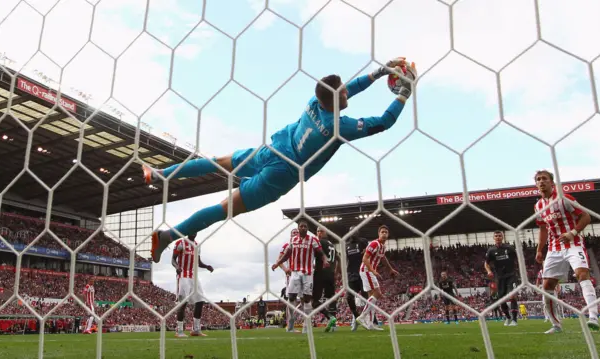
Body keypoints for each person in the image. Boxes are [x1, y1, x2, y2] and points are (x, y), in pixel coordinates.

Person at [144, 59, 417, 262]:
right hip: (281, 173)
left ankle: (159, 174)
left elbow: (345, 89)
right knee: (225, 207)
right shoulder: (337, 126)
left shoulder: (316, 100)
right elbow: (383, 122)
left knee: (219, 161)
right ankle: (168, 237)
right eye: (344, 92)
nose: (348, 92)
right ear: (335, 98)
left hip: (274, 148)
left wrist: (379, 72)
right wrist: (404, 93)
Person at [533, 169, 598, 333]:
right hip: (554, 248)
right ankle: (556, 324)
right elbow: (542, 229)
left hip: (573, 243)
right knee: (547, 285)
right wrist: (540, 250)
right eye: (538, 179)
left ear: (552, 182)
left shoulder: (564, 198)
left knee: (582, 274)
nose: (541, 182)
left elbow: (586, 216)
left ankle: (593, 317)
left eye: (544, 179)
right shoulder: (538, 206)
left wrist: (572, 233)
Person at [271, 220, 329, 333]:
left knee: (306, 299)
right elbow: (287, 253)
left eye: (305, 226)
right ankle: (291, 324)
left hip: (307, 273)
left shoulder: (313, 240)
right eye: (301, 226)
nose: (303, 228)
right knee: (291, 297)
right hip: (295, 272)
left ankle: (306, 326)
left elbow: (320, 253)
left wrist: (325, 260)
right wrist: (278, 263)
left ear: (307, 229)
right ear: (298, 228)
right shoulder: (293, 240)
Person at [356, 225, 399, 330]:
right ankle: (362, 317)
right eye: (382, 232)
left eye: (386, 232)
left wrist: (390, 269)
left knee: (372, 298)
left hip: (369, 271)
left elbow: (383, 258)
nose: (384, 234)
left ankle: (370, 324)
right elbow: (364, 258)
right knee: (378, 293)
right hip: (366, 270)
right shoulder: (374, 244)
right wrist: (373, 270)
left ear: (388, 235)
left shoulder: (382, 247)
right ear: (378, 234)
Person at [173, 236, 214, 337]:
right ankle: (179, 330)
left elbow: (198, 262)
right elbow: (173, 259)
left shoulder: (197, 245)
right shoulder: (180, 243)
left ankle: (196, 330)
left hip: (193, 275)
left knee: (200, 300)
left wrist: (206, 266)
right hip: (183, 275)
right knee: (183, 302)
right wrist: (177, 267)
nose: (195, 232)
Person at [484, 231, 519, 326]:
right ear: (493, 238)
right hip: (499, 277)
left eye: (500, 236)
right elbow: (486, 263)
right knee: (501, 299)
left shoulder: (509, 248)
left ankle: (515, 320)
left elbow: (518, 258)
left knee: (512, 296)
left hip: (511, 275)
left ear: (502, 237)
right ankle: (508, 317)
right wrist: (489, 271)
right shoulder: (491, 250)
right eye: (496, 236)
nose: (498, 237)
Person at [312, 227, 339, 332]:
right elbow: (338, 259)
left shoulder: (319, 243)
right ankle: (334, 325)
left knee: (314, 301)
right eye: (317, 231)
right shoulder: (331, 244)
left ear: (326, 233)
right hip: (330, 273)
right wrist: (336, 272)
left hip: (320, 273)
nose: (319, 233)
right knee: (331, 297)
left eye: (321, 231)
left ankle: (330, 317)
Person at [344, 225, 370, 331]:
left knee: (366, 299)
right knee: (349, 297)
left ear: (358, 232)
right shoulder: (347, 245)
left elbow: (370, 254)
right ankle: (356, 317)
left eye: (355, 231)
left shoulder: (363, 241)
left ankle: (370, 320)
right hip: (352, 275)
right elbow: (347, 260)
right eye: (351, 231)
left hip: (363, 273)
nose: (353, 233)